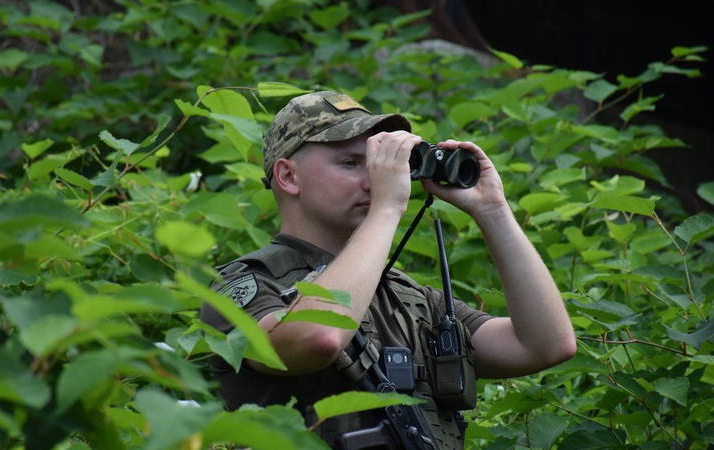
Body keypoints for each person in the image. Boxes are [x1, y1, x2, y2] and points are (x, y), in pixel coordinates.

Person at [200, 90, 576, 449]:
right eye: (350, 163)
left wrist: (493, 211)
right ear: (289, 177)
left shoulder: (408, 298)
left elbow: (545, 345)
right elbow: (319, 338)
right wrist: (385, 208)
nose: (374, 178)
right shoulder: (244, 284)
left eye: (378, 164)